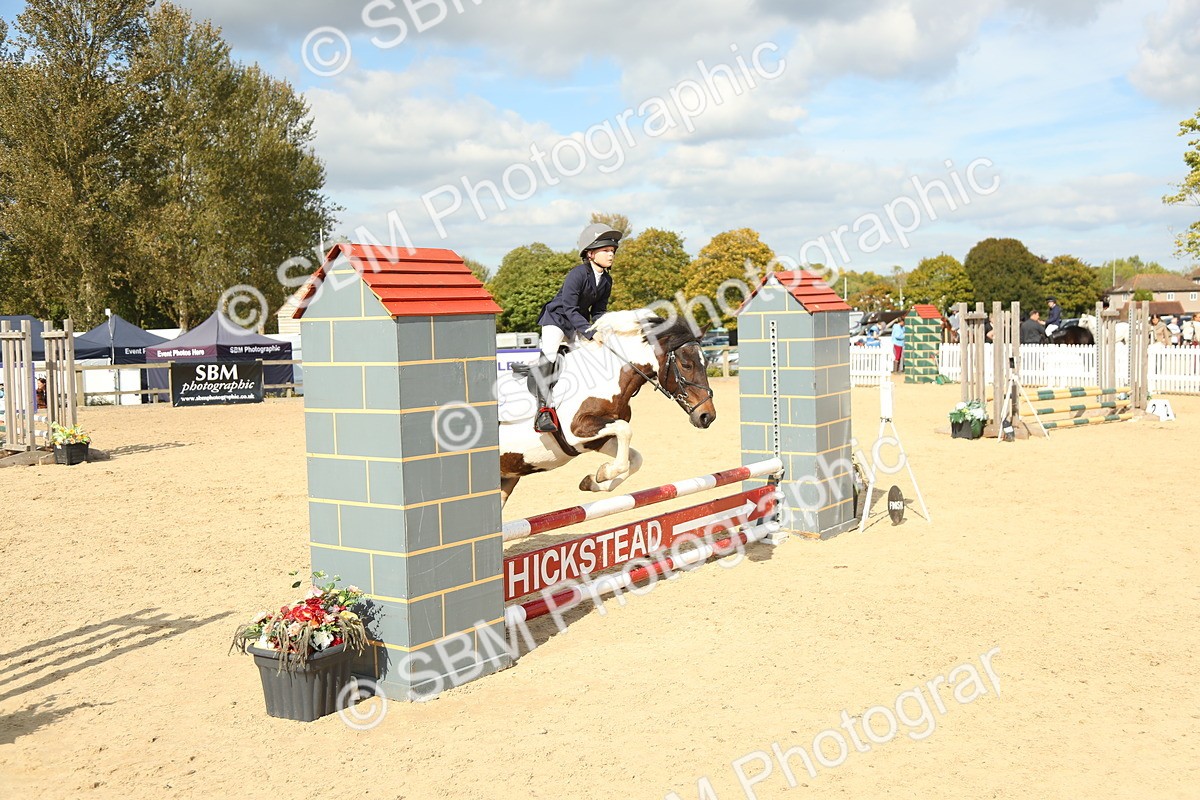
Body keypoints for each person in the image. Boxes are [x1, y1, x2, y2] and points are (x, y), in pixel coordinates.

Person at [528, 222, 622, 432]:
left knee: (586, 356)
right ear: (590, 254)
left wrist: (605, 328)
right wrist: (590, 331)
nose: (611, 254)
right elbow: (569, 308)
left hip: (577, 321)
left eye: (612, 251)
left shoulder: (606, 280)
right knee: (551, 355)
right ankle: (542, 412)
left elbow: (598, 311)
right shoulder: (577, 274)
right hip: (557, 318)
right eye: (605, 250)